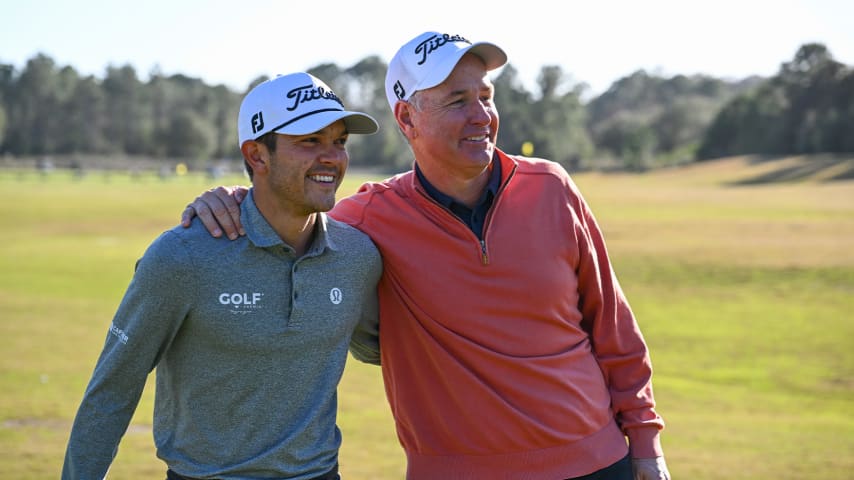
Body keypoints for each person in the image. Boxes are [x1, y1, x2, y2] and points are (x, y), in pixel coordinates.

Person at [183, 32, 671, 480]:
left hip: (598, 463)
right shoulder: (367, 219)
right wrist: (232, 198)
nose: (481, 115)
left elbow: (613, 328)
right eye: (458, 101)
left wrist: (646, 445)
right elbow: (287, 212)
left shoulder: (552, 187)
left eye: (485, 96)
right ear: (406, 118)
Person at [63, 72, 383, 480]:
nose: (332, 157)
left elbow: (378, 350)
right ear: (257, 155)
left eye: (339, 142)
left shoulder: (358, 256)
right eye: (310, 141)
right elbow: (112, 391)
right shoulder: (182, 257)